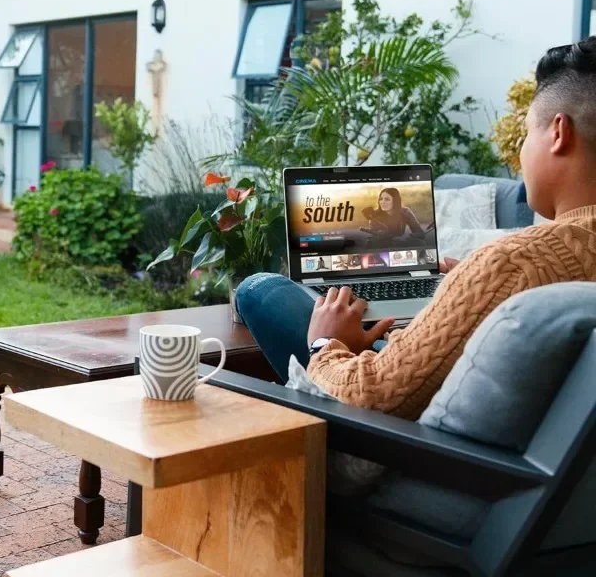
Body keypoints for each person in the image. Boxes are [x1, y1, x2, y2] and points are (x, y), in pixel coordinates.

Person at [236, 39, 596, 417]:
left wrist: (326, 343)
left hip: (409, 452)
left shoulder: (513, 265)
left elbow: (372, 396)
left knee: (261, 290)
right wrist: (468, 291)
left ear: (558, 133)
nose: (522, 152)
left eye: (526, 132)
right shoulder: (519, 269)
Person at [360, 187, 425, 240]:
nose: (382, 202)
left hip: (401, 245)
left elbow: (420, 233)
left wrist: (407, 237)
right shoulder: (375, 215)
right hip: (383, 246)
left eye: (387, 199)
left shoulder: (405, 212)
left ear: (395, 200)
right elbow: (376, 236)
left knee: (421, 242)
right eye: (381, 199)